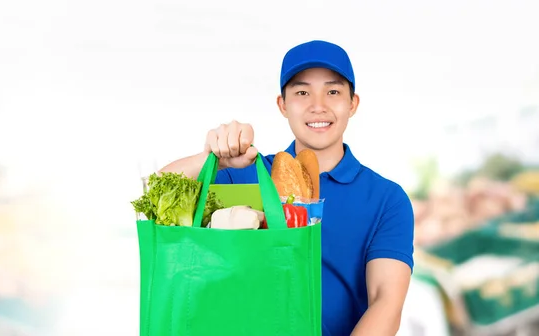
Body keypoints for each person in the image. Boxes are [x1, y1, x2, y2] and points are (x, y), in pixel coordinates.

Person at [160, 40, 414, 336]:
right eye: (302, 92)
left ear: (352, 103)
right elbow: (159, 197)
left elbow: (386, 303)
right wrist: (212, 160)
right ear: (282, 105)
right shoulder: (245, 173)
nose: (318, 106)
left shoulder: (386, 199)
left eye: (332, 92)